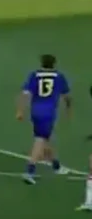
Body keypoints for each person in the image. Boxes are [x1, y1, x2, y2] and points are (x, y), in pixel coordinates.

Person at [17, 54, 71, 184]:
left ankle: (56, 166)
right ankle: (30, 171)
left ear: (41, 63)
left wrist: (20, 111)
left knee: (47, 137)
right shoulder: (59, 77)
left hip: (36, 111)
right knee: (40, 139)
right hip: (48, 113)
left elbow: (25, 94)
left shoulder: (34, 75)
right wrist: (68, 110)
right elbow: (67, 97)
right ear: (54, 64)